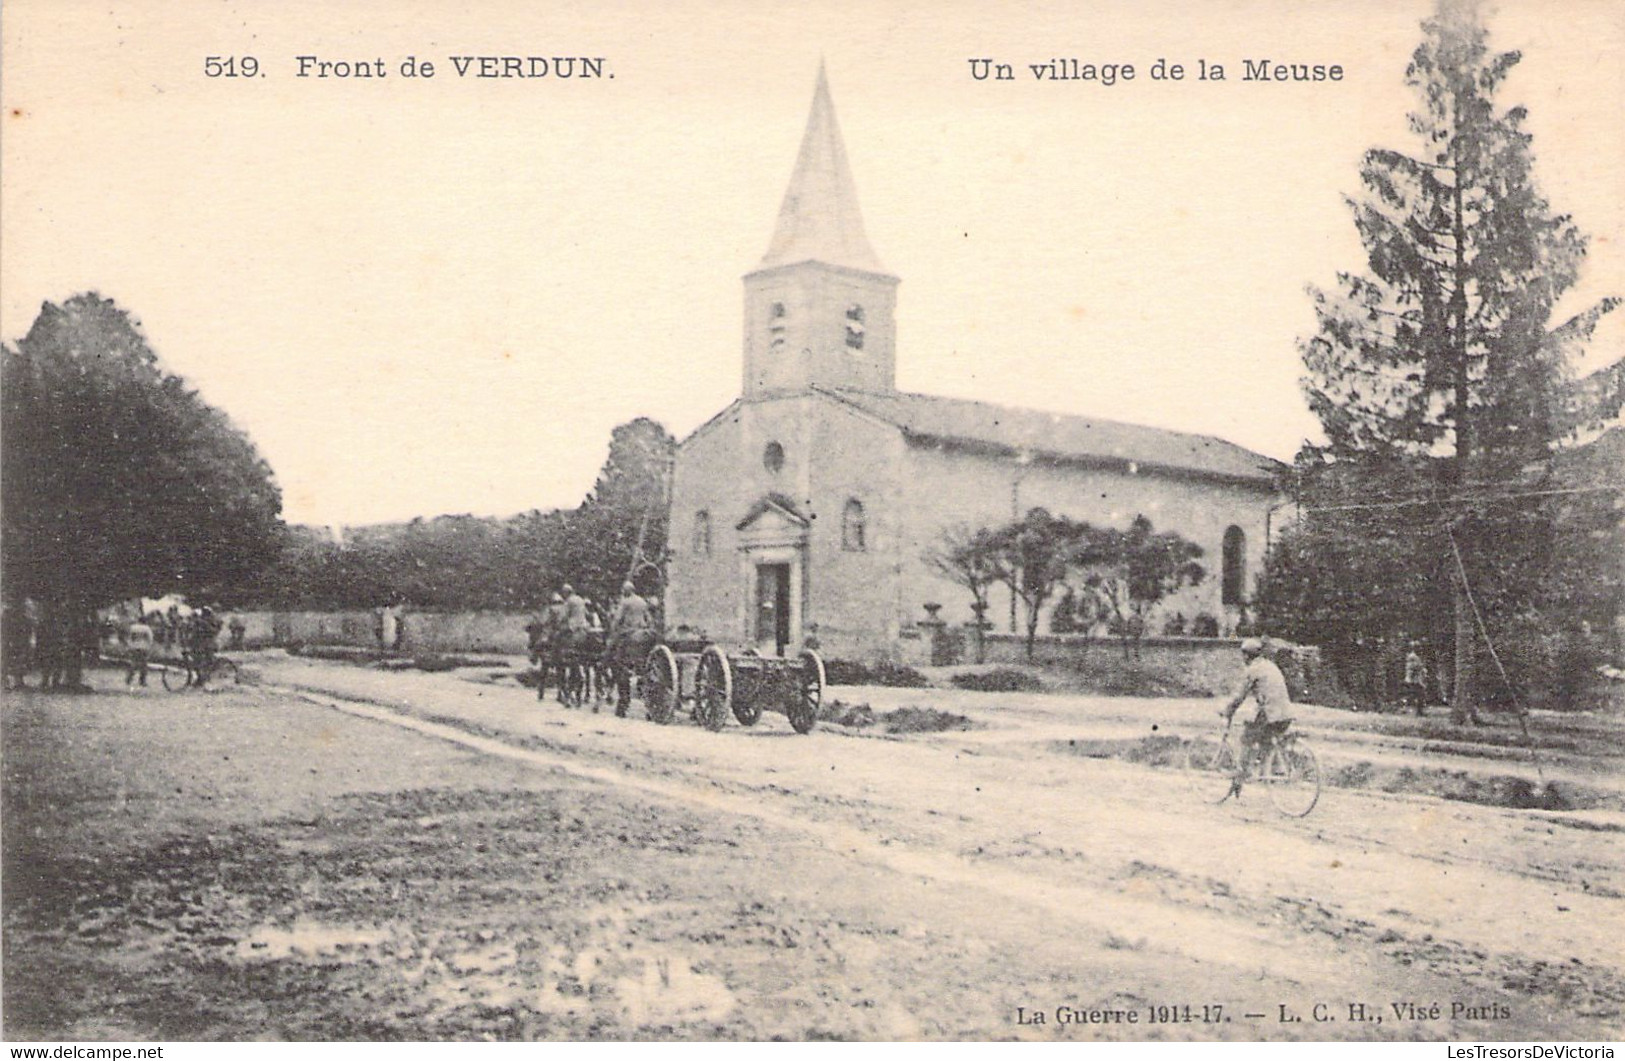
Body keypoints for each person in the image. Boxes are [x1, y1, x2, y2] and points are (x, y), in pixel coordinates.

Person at [1219, 637, 1295, 801]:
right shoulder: (1270, 666)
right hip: (1286, 714)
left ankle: (1240, 777)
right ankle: (1265, 769)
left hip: (1271, 714)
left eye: (1243, 656)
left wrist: (1227, 711)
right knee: (1262, 739)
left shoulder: (1253, 670)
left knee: (1246, 738)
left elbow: (1239, 697)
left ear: (1246, 656)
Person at [607, 582, 656, 716]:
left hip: (628, 633)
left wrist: (612, 631)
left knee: (613, 657)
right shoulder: (642, 601)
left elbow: (618, 619)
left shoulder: (625, 602)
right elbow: (649, 619)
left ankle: (623, 704)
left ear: (626, 591)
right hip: (643, 632)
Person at [125, 613, 155, 687]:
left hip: (134, 647)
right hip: (143, 647)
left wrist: (129, 646)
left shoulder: (133, 627)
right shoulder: (146, 628)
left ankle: (129, 678)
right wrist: (149, 647)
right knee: (144, 665)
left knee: (133, 663)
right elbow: (150, 638)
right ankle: (142, 681)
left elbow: (129, 637)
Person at [1402, 644, 1428, 716]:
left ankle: (1418, 711)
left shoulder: (1416, 657)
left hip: (1416, 680)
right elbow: (1412, 668)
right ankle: (1407, 709)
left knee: (1419, 695)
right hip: (1413, 680)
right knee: (1416, 695)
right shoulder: (1412, 657)